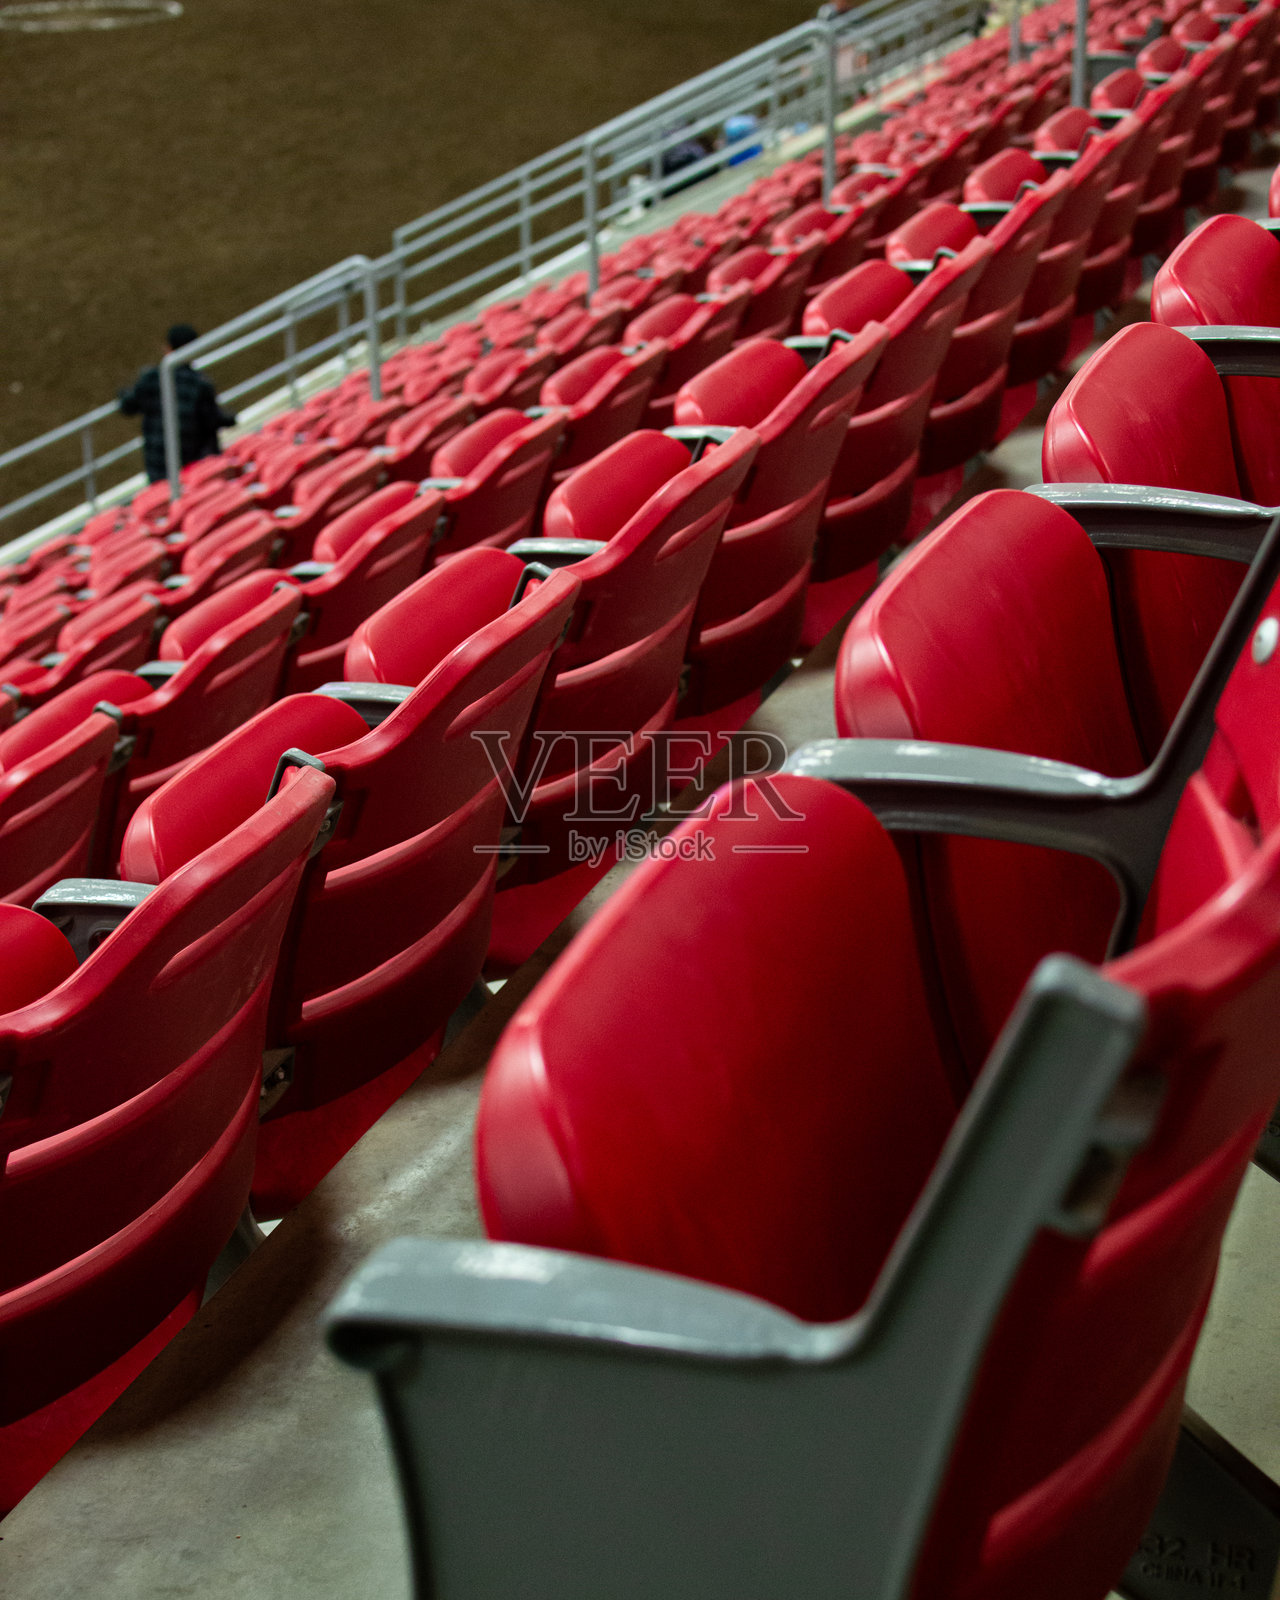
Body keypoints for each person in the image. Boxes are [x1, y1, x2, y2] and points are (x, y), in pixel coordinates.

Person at [118, 324, 236, 483]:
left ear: (168, 347)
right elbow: (213, 420)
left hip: (159, 467)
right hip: (194, 467)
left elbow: (128, 406)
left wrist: (122, 393)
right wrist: (230, 418)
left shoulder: (152, 378)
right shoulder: (200, 385)